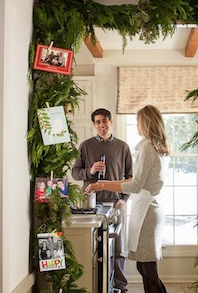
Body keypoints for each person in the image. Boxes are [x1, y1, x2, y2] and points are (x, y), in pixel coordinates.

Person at [86, 105, 169, 293]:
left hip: (148, 212)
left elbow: (135, 186)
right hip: (149, 209)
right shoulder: (155, 146)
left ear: (146, 123)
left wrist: (102, 184)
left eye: (139, 120)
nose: (137, 124)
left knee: (148, 269)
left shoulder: (148, 148)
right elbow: (135, 180)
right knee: (144, 267)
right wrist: (107, 183)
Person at [72, 108, 133, 293]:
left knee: (118, 248)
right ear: (94, 124)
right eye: (97, 122)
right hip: (90, 205)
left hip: (116, 204)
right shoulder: (85, 146)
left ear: (111, 121)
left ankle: (120, 286)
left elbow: (131, 177)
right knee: (93, 246)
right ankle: (95, 285)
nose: (101, 125)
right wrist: (89, 171)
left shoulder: (123, 147)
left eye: (104, 121)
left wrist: (124, 199)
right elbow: (75, 173)